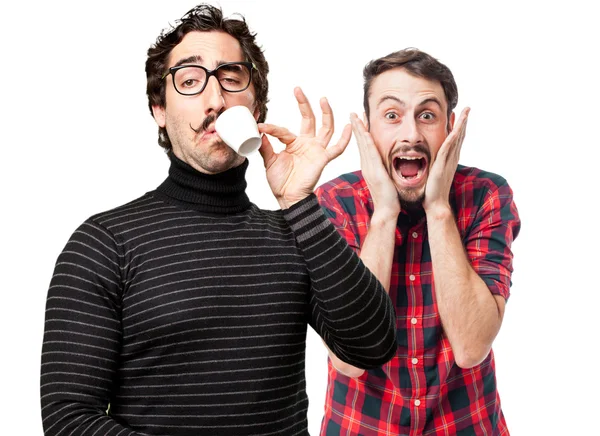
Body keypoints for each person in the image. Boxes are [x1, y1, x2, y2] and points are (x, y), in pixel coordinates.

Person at [39, 5, 398, 435]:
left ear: (256, 105)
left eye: (231, 78)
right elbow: (68, 417)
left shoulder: (295, 234)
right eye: (190, 81)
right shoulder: (102, 244)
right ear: (159, 108)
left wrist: (299, 202)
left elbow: (372, 346)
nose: (215, 101)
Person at [316, 48, 521, 435]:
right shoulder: (333, 203)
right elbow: (351, 358)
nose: (411, 134)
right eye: (391, 116)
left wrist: (439, 208)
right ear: (368, 129)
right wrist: (384, 214)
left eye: (427, 115)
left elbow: (471, 346)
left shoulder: (487, 194)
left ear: (450, 128)